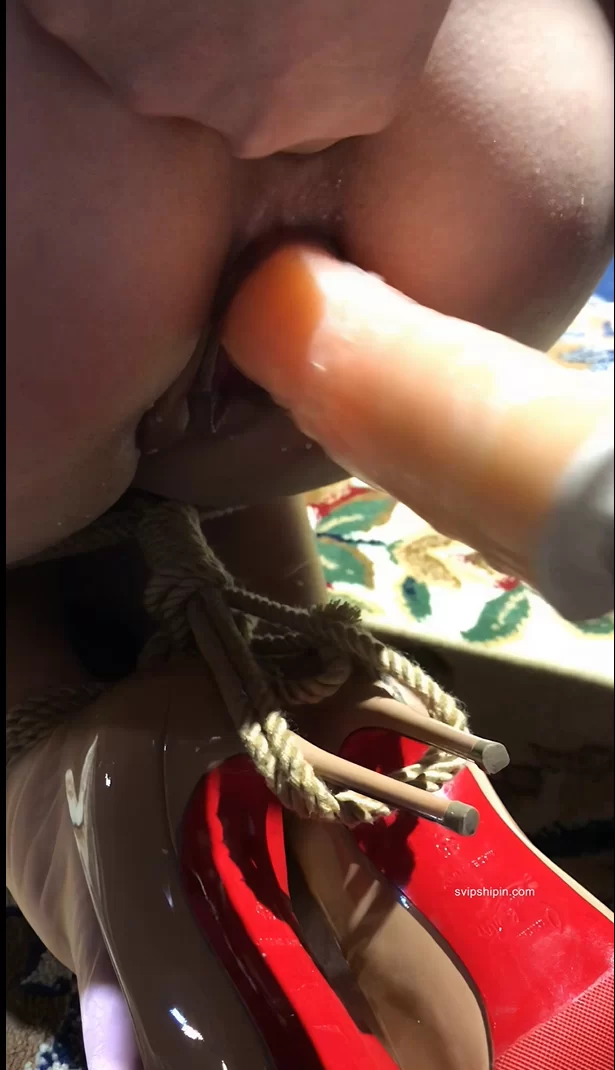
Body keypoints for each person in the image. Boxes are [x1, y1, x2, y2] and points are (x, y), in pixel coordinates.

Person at [5, 1, 613, 1067]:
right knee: (221, 453)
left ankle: (57, 737)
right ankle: (300, 669)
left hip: (61, 181)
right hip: (467, 107)